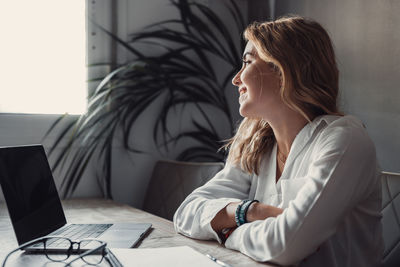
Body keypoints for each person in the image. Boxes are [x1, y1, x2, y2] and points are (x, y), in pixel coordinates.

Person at [173, 16, 383, 267]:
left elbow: (284, 245)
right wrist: (250, 212)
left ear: (283, 72)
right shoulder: (256, 141)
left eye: (248, 62)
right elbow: (185, 214)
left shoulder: (345, 140)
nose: (236, 79)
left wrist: (227, 231)